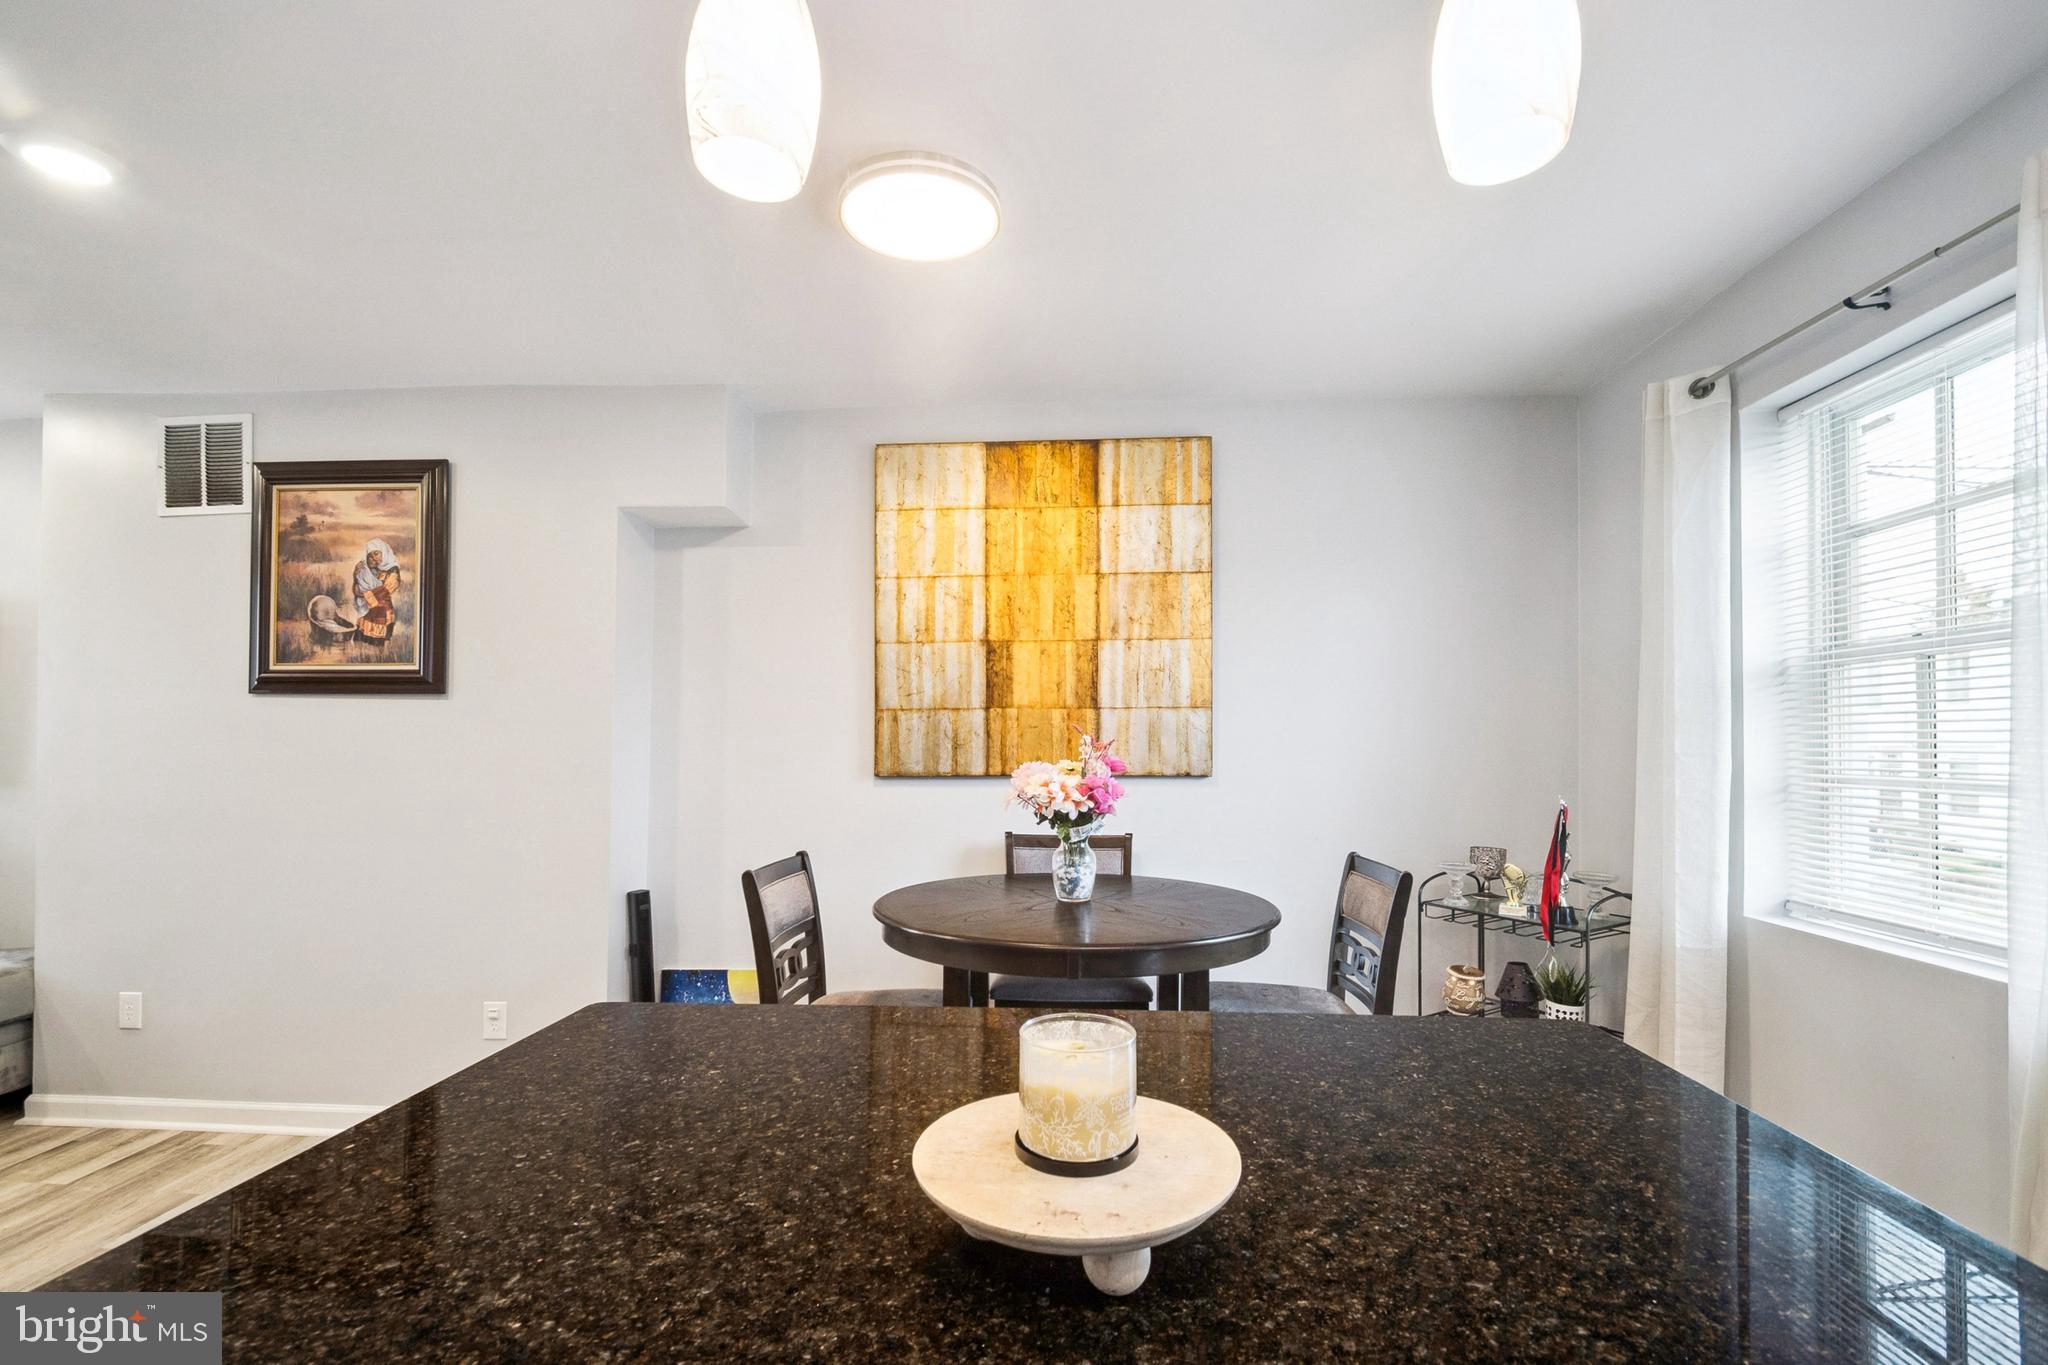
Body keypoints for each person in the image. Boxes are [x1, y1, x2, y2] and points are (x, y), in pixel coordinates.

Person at [353, 538, 401, 646]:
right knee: (361, 643)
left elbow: (386, 590)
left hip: (383, 612)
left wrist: (362, 594)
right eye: (371, 555)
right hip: (369, 611)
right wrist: (356, 574)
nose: (374, 558)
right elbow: (359, 586)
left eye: (376, 553)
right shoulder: (373, 568)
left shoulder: (393, 570)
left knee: (378, 647)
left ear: (383, 551)